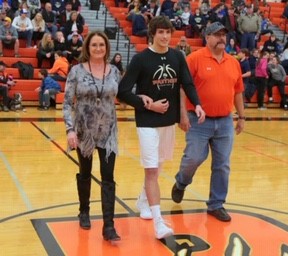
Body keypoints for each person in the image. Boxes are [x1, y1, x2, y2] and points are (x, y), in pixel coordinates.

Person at [117, 16, 205, 239]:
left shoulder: (177, 56)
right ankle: (158, 223)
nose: (165, 37)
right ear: (152, 34)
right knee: (152, 170)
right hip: (147, 122)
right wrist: (146, 102)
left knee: (159, 165)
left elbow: (187, 83)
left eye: (168, 32)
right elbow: (123, 91)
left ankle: (143, 200)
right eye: (161, 32)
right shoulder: (141, 59)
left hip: (169, 122)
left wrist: (198, 105)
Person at [171, 22, 245, 223]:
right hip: (198, 120)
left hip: (225, 121)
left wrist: (242, 116)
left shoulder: (233, 62)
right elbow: (181, 89)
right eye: (217, 35)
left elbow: (238, 91)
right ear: (207, 38)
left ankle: (216, 204)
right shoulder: (194, 59)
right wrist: (183, 115)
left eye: (224, 35)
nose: (222, 38)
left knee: (222, 164)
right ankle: (181, 182)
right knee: (194, 158)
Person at [62, 31, 121, 242]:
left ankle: (109, 225)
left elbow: (123, 94)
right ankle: (84, 210)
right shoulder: (76, 71)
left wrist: (143, 99)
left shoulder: (114, 71)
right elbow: (67, 103)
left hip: (108, 132)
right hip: (83, 131)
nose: (98, 49)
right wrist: (70, 130)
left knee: (108, 178)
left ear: (107, 48)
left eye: (102, 45)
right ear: (87, 47)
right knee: (85, 173)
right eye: (94, 45)